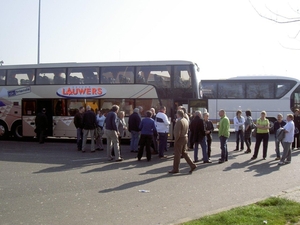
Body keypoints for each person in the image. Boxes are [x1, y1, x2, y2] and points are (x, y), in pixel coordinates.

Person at [168, 110, 196, 174]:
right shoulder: (185, 120)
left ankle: (175, 168)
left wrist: (176, 140)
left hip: (180, 138)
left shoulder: (179, 121)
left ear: (178, 114)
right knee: (184, 153)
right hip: (185, 137)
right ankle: (192, 165)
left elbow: (177, 132)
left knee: (177, 154)